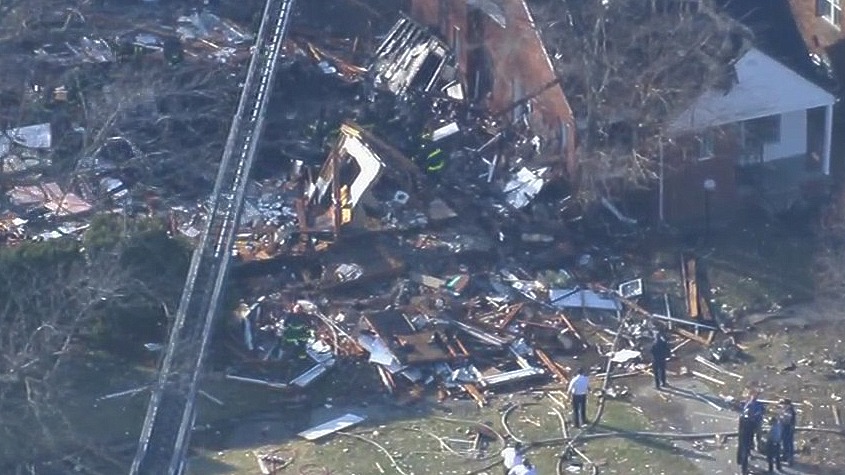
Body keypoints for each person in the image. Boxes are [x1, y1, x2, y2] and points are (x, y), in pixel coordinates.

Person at [779, 398, 796, 466]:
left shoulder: (790, 411)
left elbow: (787, 420)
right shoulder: (787, 410)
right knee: (785, 442)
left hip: (788, 427)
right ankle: (785, 456)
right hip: (785, 427)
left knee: (788, 443)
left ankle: (789, 458)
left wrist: (782, 416)